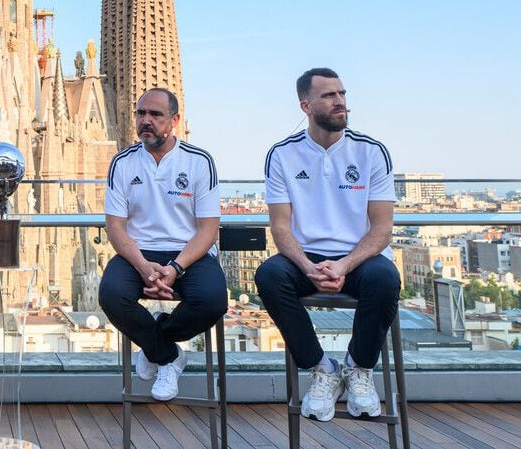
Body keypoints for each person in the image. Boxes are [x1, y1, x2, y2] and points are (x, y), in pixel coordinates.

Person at [255, 67, 399, 422]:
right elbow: (281, 228)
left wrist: (344, 265)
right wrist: (307, 266)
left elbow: (382, 229)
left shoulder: (372, 152)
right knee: (269, 276)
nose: (341, 102)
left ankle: (359, 368)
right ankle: (321, 368)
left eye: (342, 94)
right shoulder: (282, 155)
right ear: (306, 105)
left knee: (385, 279)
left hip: (359, 256)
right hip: (305, 258)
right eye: (329, 96)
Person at [98, 88, 227, 401]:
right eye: (141, 114)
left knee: (213, 300)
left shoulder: (199, 161)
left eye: (155, 115)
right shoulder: (123, 163)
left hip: (189, 254)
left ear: (174, 121)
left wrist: (176, 267)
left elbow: (208, 229)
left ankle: (156, 342)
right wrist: (143, 266)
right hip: (138, 253)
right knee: (111, 294)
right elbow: (115, 227)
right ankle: (169, 356)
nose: (146, 121)